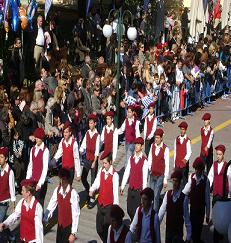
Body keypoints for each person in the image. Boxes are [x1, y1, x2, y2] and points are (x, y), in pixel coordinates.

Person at [89, 153, 119, 243]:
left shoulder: (115, 175)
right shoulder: (101, 170)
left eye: (105, 163)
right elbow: (97, 182)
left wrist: (115, 207)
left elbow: (115, 193)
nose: (104, 165)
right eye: (103, 163)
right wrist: (92, 189)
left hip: (109, 206)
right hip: (100, 204)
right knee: (99, 229)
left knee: (107, 229)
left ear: (110, 162)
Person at [44, 168, 80, 243]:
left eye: (64, 179)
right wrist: (46, 218)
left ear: (68, 180)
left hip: (68, 226)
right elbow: (51, 204)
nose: (62, 182)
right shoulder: (57, 190)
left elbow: (76, 214)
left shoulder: (73, 193)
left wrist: (73, 233)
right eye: (61, 179)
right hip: (60, 225)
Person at [159, 170, 192, 243]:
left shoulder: (184, 197)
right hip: (168, 232)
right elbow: (161, 211)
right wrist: (156, 225)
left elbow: (186, 217)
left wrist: (189, 235)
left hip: (178, 233)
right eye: (173, 181)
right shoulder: (168, 194)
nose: (174, 183)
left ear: (180, 182)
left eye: (176, 181)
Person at [183, 157, 210, 243]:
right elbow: (186, 190)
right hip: (193, 208)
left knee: (198, 228)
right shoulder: (191, 177)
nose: (197, 171)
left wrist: (208, 214)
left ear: (202, 169)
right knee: (192, 226)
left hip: (201, 210)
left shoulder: (206, 180)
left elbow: (207, 198)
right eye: (195, 169)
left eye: (198, 169)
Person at [120, 137, 149, 220]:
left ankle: (135, 226)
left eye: (139, 145)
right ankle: (134, 223)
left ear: (142, 147)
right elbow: (126, 173)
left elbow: (144, 179)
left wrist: (144, 193)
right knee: (129, 210)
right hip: (131, 188)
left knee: (136, 211)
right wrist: (122, 186)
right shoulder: (131, 158)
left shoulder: (144, 161)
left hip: (138, 191)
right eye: (136, 144)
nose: (137, 146)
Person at [208, 144, 231, 243]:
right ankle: (217, 236)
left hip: (223, 195)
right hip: (216, 194)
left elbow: (229, 180)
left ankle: (219, 233)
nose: (218, 156)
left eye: (220, 154)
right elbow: (210, 177)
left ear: (223, 155)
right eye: (217, 154)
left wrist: (230, 193)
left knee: (222, 215)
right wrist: (208, 189)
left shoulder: (227, 166)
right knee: (216, 215)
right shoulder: (214, 165)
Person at [80, 114, 100, 208]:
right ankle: (89, 191)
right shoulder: (87, 133)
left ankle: (91, 199)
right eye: (89, 123)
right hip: (87, 158)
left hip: (93, 160)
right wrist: (80, 152)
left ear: (95, 124)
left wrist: (94, 162)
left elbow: (97, 150)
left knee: (93, 180)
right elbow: (83, 144)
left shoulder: (97, 135)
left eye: (91, 123)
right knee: (83, 177)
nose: (90, 124)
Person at [148, 128, 169, 212]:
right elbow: (150, 158)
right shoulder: (152, 146)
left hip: (160, 175)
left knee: (156, 195)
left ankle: (155, 213)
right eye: (155, 137)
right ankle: (150, 210)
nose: (156, 139)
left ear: (161, 138)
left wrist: (165, 179)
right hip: (152, 174)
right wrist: (149, 169)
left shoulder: (165, 149)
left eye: (157, 138)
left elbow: (167, 164)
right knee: (151, 194)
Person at [26, 128, 49, 207]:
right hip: (33, 181)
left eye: (38, 138)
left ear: (42, 138)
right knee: (32, 203)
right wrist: (27, 179)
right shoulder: (33, 149)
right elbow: (30, 166)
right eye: (36, 137)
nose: (36, 139)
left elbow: (45, 168)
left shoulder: (45, 151)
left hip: (41, 183)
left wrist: (40, 183)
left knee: (39, 205)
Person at [0, 147, 16, 242]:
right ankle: (11, 236)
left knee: (0, 225)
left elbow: (12, 190)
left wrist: (14, 206)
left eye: (1, 157)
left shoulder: (10, 172)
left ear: (6, 159)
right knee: (2, 223)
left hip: (4, 202)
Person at [173, 121, 192, 187]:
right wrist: (174, 164)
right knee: (176, 182)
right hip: (177, 164)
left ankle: (184, 196)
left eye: (183, 129)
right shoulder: (176, 139)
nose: (182, 131)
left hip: (184, 165)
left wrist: (185, 159)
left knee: (184, 181)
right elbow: (175, 151)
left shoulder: (187, 140)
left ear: (185, 130)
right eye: (181, 129)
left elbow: (189, 152)